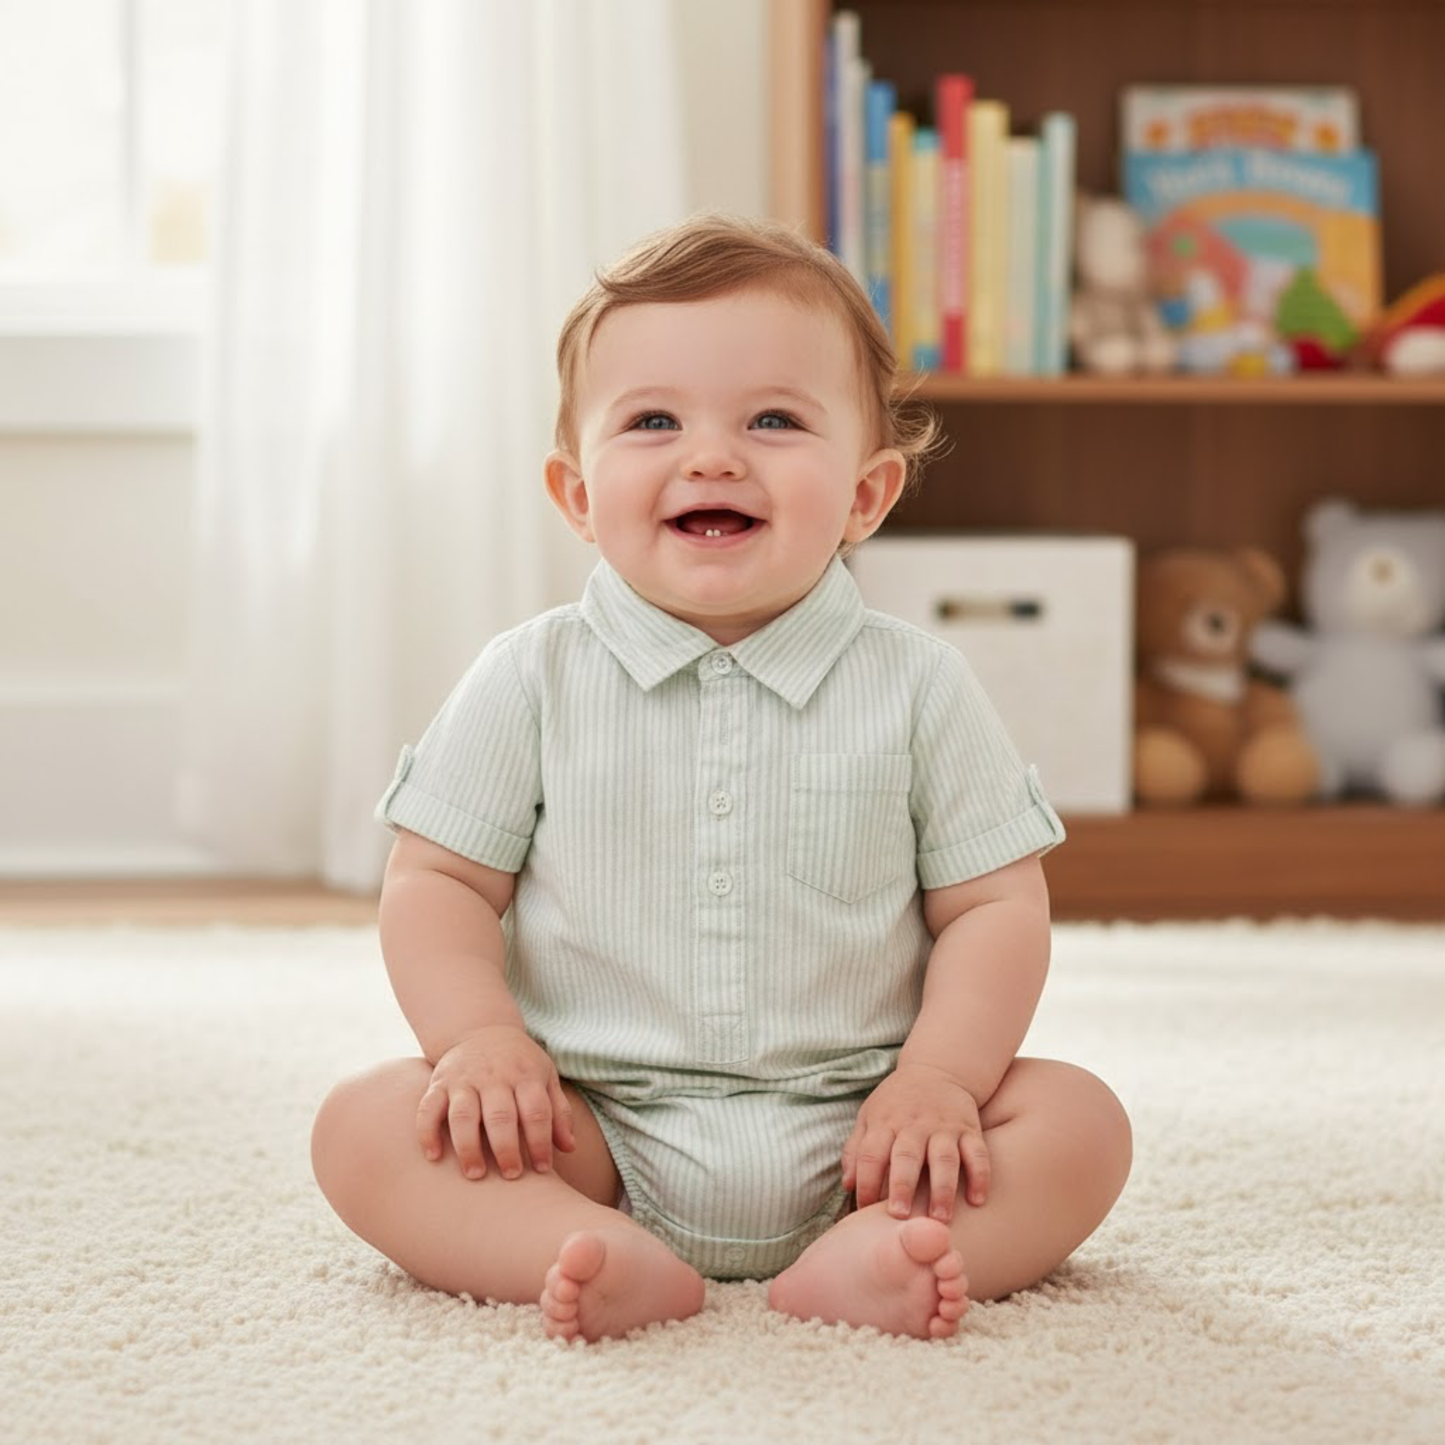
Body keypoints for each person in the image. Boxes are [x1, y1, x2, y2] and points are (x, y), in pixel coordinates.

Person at [311, 214, 1132, 1344]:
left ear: (864, 496)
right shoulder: (529, 676)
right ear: (577, 495)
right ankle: (573, 1243)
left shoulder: (920, 686)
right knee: (365, 1124)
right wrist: (477, 1040)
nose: (711, 456)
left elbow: (993, 904)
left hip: (869, 1129)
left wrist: (939, 1079)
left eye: (773, 421)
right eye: (652, 420)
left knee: (1078, 1121)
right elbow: (436, 879)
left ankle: (868, 1252)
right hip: (585, 1122)